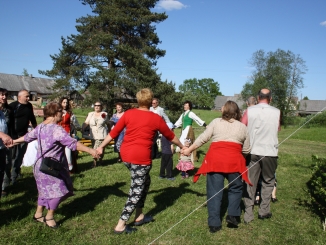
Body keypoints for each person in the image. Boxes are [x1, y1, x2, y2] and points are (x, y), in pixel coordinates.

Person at [96, 88, 184, 234]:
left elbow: (114, 132)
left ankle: (139, 216)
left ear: (138, 100)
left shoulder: (129, 113)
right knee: (136, 191)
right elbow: (170, 135)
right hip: (140, 158)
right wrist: (182, 147)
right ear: (150, 101)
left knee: (145, 181)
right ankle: (120, 225)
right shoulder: (155, 118)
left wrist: (101, 147)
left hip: (126, 156)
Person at [9, 102, 98, 228]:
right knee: (59, 192)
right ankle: (49, 216)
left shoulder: (40, 127)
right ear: (55, 113)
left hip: (39, 167)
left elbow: (28, 137)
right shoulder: (57, 129)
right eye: (61, 111)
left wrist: (14, 142)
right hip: (52, 168)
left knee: (43, 191)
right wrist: (91, 151)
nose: (63, 113)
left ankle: (38, 214)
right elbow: (73, 144)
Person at [182, 100, 251, 233]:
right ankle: (233, 215)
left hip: (216, 160)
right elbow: (247, 149)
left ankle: (214, 223)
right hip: (234, 161)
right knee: (236, 188)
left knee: (214, 190)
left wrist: (189, 149)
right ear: (236, 112)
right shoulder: (243, 127)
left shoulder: (215, 122)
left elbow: (203, 138)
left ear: (225, 111)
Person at [242, 88, 281, 223]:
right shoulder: (277, 112)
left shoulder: (249, 110)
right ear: (270, 98)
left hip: (253, 150)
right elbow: (278, 128)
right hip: (270, 151)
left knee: (251, 181)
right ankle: (263, 211)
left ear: (258, 98)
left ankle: (248, 214)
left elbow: (242, 126)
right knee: (268, 181)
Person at [9, 89, 37, 184]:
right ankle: (8, 177)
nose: (28, 98)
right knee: (11, 157)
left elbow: (32, 118)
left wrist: (36, 128)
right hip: (12, 136)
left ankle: (14, 177)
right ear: (19, 97)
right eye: (26, 96)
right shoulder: (12, 106)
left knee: (20, 156)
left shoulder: (29, 106)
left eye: (29, 96)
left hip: (24, 135)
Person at [84, 101, 110, 167]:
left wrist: (109, 131)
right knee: (94, 148)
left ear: (101, 107)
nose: (97, 107)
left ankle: (95, 162)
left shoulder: (104, 114)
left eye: (98, 105)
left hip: (101, 135)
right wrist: (83, 129)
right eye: (95, 105)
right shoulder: (90, 114)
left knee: (98, 149)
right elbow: (86, 123)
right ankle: (99, 161)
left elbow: (108, 123)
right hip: (93, 135)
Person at [0, 88, 14, 197]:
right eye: (1, 95)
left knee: (3, 168)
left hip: (2, 146)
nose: (4, 97)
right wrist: (2, 135)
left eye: (5, 95)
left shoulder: (4, 112)